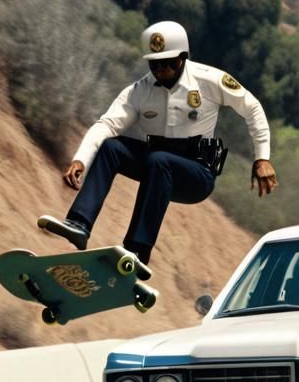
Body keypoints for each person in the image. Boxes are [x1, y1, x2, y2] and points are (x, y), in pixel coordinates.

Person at [38, 20, 278, 265]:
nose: (161, 70)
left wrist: (262, 158)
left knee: (159, 159)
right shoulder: (140, 91)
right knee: (112, 148)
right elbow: (107, 124)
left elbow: (252, 108)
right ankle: (79, 224)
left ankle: (137, 251)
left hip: (197, 174)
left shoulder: (209, 79)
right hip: (157, 165)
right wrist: (81, 159)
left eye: (168, 63)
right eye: (155, 64)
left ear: (182, 58)